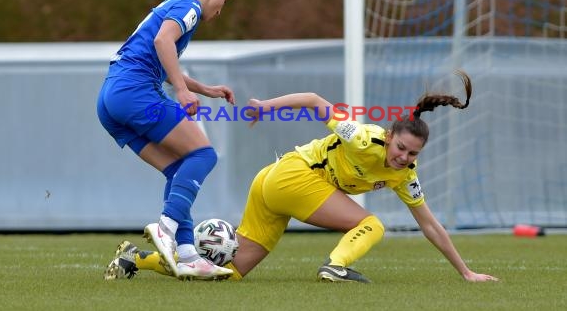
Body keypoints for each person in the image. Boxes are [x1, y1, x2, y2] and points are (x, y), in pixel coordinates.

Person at [104, 71, 499, 283]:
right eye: (400, 148)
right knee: (372, 223)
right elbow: (313, 101)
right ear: (389, 136)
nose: (403, 157)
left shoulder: (404, 176)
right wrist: (264, 107)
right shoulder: (363, 137)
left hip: (273, 184)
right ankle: (336, 267)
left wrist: (465, 272)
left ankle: (136, 260)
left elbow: (429, 224)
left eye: (413, 154)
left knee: (232, 271)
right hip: (293, 177)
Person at [97, 0, 236, 281]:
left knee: (178, 169)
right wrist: (183, 91)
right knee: (203, 155)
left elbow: (160, 55)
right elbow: (163, 42)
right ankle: (167, 229)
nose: (219, 11)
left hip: (111, 98)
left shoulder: (174, 2)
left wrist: (204, 89)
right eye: (224, 2)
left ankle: (187, 254)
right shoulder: (189, 6)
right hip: (134, 92)